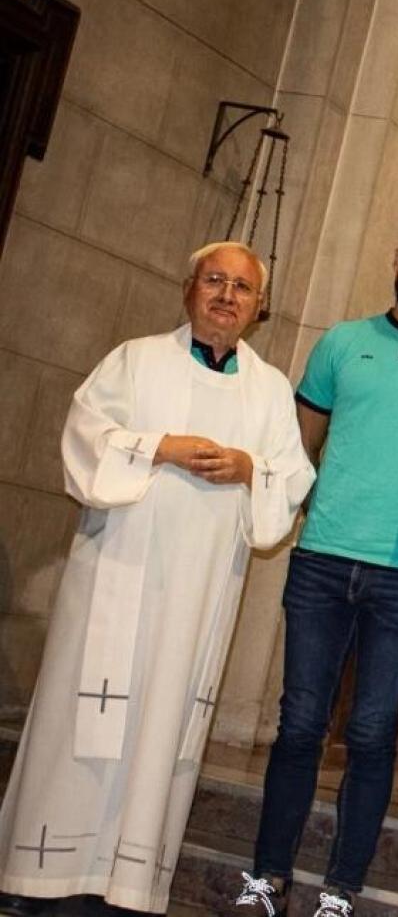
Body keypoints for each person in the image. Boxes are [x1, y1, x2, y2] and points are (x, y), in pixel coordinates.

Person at [0, 243, 313, 914]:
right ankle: (41, 880)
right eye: (215, 281)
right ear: (187, 288)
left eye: (243, 288)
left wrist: (248, 467)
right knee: (80, 718)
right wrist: (159, 446)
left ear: (260, 309)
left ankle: (127, 885)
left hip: (199, 596)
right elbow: (82, 442)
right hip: (117, 574)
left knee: (161, 730)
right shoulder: (134, 361)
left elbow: (292, 483)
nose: (228, 296)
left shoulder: (268, 390)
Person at [237, 203, 398, 916]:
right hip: (321, 558)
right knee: (298, 724)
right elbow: (299, 450)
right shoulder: (341, 344)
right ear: (397, 258)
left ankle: (341, 889)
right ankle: (268, 877)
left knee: (373, 732)